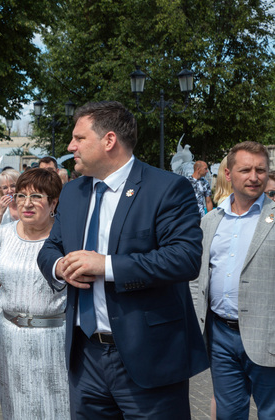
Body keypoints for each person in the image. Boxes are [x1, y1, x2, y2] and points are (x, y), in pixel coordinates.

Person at [37, 101, 208, 419]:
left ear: (109, 140)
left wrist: (107, 266)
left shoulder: (166, 188)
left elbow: (184, 258)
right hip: (85, 358)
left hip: (149, 356)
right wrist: (60, 268)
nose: (70, 146)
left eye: (79, 138)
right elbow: (51, 248)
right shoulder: (73, 193)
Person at [194, 141, 275, 419]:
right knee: (228, 414)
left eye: (260, 170)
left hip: (267, 337)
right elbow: (198, 278)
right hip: (220, 337)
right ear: (228, 174)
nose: (254, 177)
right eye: (245, 170)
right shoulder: (210, 221)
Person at [0, 168, 69, 419]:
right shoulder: (3, 235)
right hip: (10, 337)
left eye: (36, 197)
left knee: (57, 406)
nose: (27, 203)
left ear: (53, 202)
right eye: (21, 196)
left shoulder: (66, 238)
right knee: (16, 407)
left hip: (54, 339)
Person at [0, 169, 20, 235]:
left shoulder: (28, 206)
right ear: (1, 190)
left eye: (13, 186)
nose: (9, 191)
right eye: (5, 188)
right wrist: (0, 213)